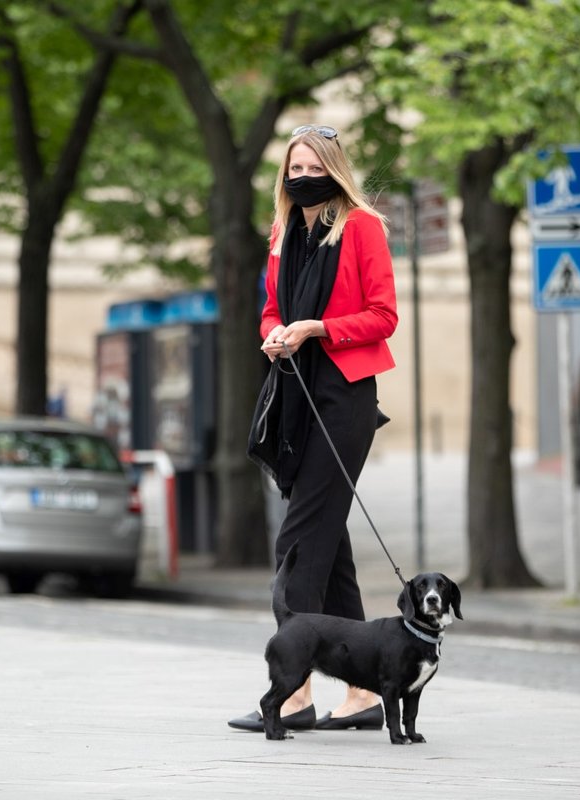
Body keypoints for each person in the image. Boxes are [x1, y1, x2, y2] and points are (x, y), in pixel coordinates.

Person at [234, 124, 398, 734]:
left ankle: (294, 692)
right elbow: (272, 308)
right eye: (292, 169)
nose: (301, 176)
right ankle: (363, 692)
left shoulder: (361, 228)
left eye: (312, 167)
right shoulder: (284, 232)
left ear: (333, 168)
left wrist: (316, 329)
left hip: (344, 400)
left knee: (297, 545)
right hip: (296, 401)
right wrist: (275, 333)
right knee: (329, 556)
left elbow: (384, 316)